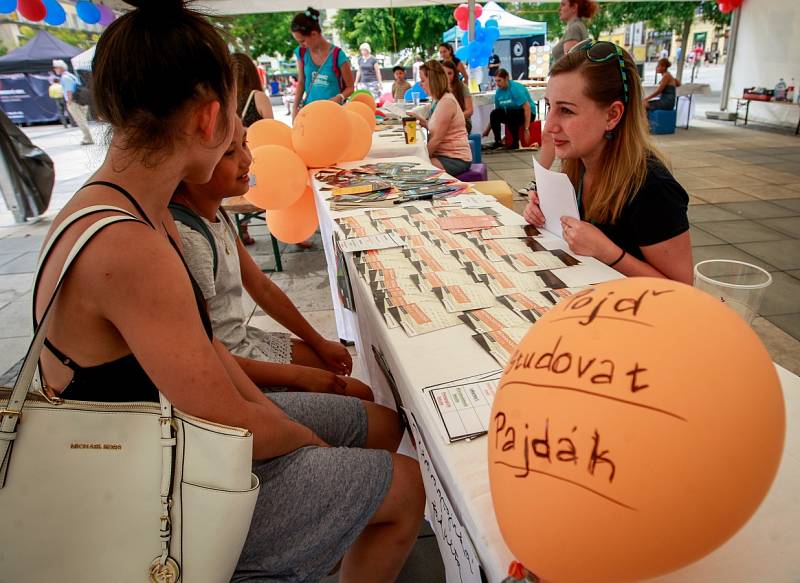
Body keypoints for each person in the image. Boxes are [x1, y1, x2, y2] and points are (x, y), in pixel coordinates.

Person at [33, 3, 424, 582]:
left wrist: (285, 412)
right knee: (405, 485)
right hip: (152, 494)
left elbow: (210, 359)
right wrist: (304, 440)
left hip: (166, 440)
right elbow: (225, 423)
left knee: (369, 426)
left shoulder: (123, 206)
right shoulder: (129, 245)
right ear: (209, 118)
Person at [172, 118, 374, 401]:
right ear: (189, 165)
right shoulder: (190, 239)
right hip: (229, 370)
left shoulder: (218, 215)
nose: (248, 159)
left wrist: (318, 341)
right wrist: (299, 376)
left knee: (343, 376)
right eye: (230, 153)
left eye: (245, 144)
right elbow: (205, 351)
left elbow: (262, 287)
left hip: (242, 344)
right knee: (360, 395)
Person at [523, 40, 692, 283]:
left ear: (612, 115)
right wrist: (543, 214)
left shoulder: (653, 187)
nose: (549, 126)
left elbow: (683, 291)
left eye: (567, 111)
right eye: (550, 107)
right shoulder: (578, 161)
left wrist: (607, 252)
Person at [231, 52, 274, 246]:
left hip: (235, 161)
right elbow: (271, 129)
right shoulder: (258, 96)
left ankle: (244, 228)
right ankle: (283, 230)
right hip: (260, 158)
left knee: (245, 192)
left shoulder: (226, 100)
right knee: (269, 193)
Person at [291, 7, 355, 119]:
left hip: (333, 113)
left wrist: (339, 97)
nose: (301, 45)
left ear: (314, 34)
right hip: (310, 111)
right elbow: (301, 82)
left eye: (303, 41)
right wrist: (295, 108)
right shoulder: (301, 53)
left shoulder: (338, 55)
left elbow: (350, 87)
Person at [414, 60, 472, 176]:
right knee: (412, 167)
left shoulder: (446, 102)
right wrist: (422, 121)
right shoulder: (439, 99)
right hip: (446, 155)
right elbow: (437, 127)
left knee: (414, 171)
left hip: (455, 158)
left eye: (423, 80)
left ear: (432, 81)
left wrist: (419, 159)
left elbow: (436, 139)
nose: (421, 84)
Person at [482, 68, 536, 150]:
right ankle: (498, 142)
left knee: (511, 114)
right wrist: (487, 130)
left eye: (499, 80)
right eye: (495, 81)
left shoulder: (515, 89)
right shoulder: (498, 93)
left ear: (506, 78)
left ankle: (515, 143)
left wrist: (526, 129)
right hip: (513, 114)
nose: (497, 84)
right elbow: (496, 115)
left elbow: (527, 107)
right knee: (494, 113)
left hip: (529, 114)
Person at [52, 59, 93, 145]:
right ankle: (88, 137)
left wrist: (69, 102)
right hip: (80, 100)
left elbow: (69, 91)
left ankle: (88, 138)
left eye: (55, 68)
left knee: (80, 120)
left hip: (74, 102)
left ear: (61, 68)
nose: (54, 70)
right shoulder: (71, 75)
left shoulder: (65, 77)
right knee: (82, 120)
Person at [442, 60, 474, 134]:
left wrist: (453, 119)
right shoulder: (441, 89)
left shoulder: (463, 87)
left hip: (464, 121)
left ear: (455, 74)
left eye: (449, 73)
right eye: (444, 73)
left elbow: (469, 111)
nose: (447, 76)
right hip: (446, 122)